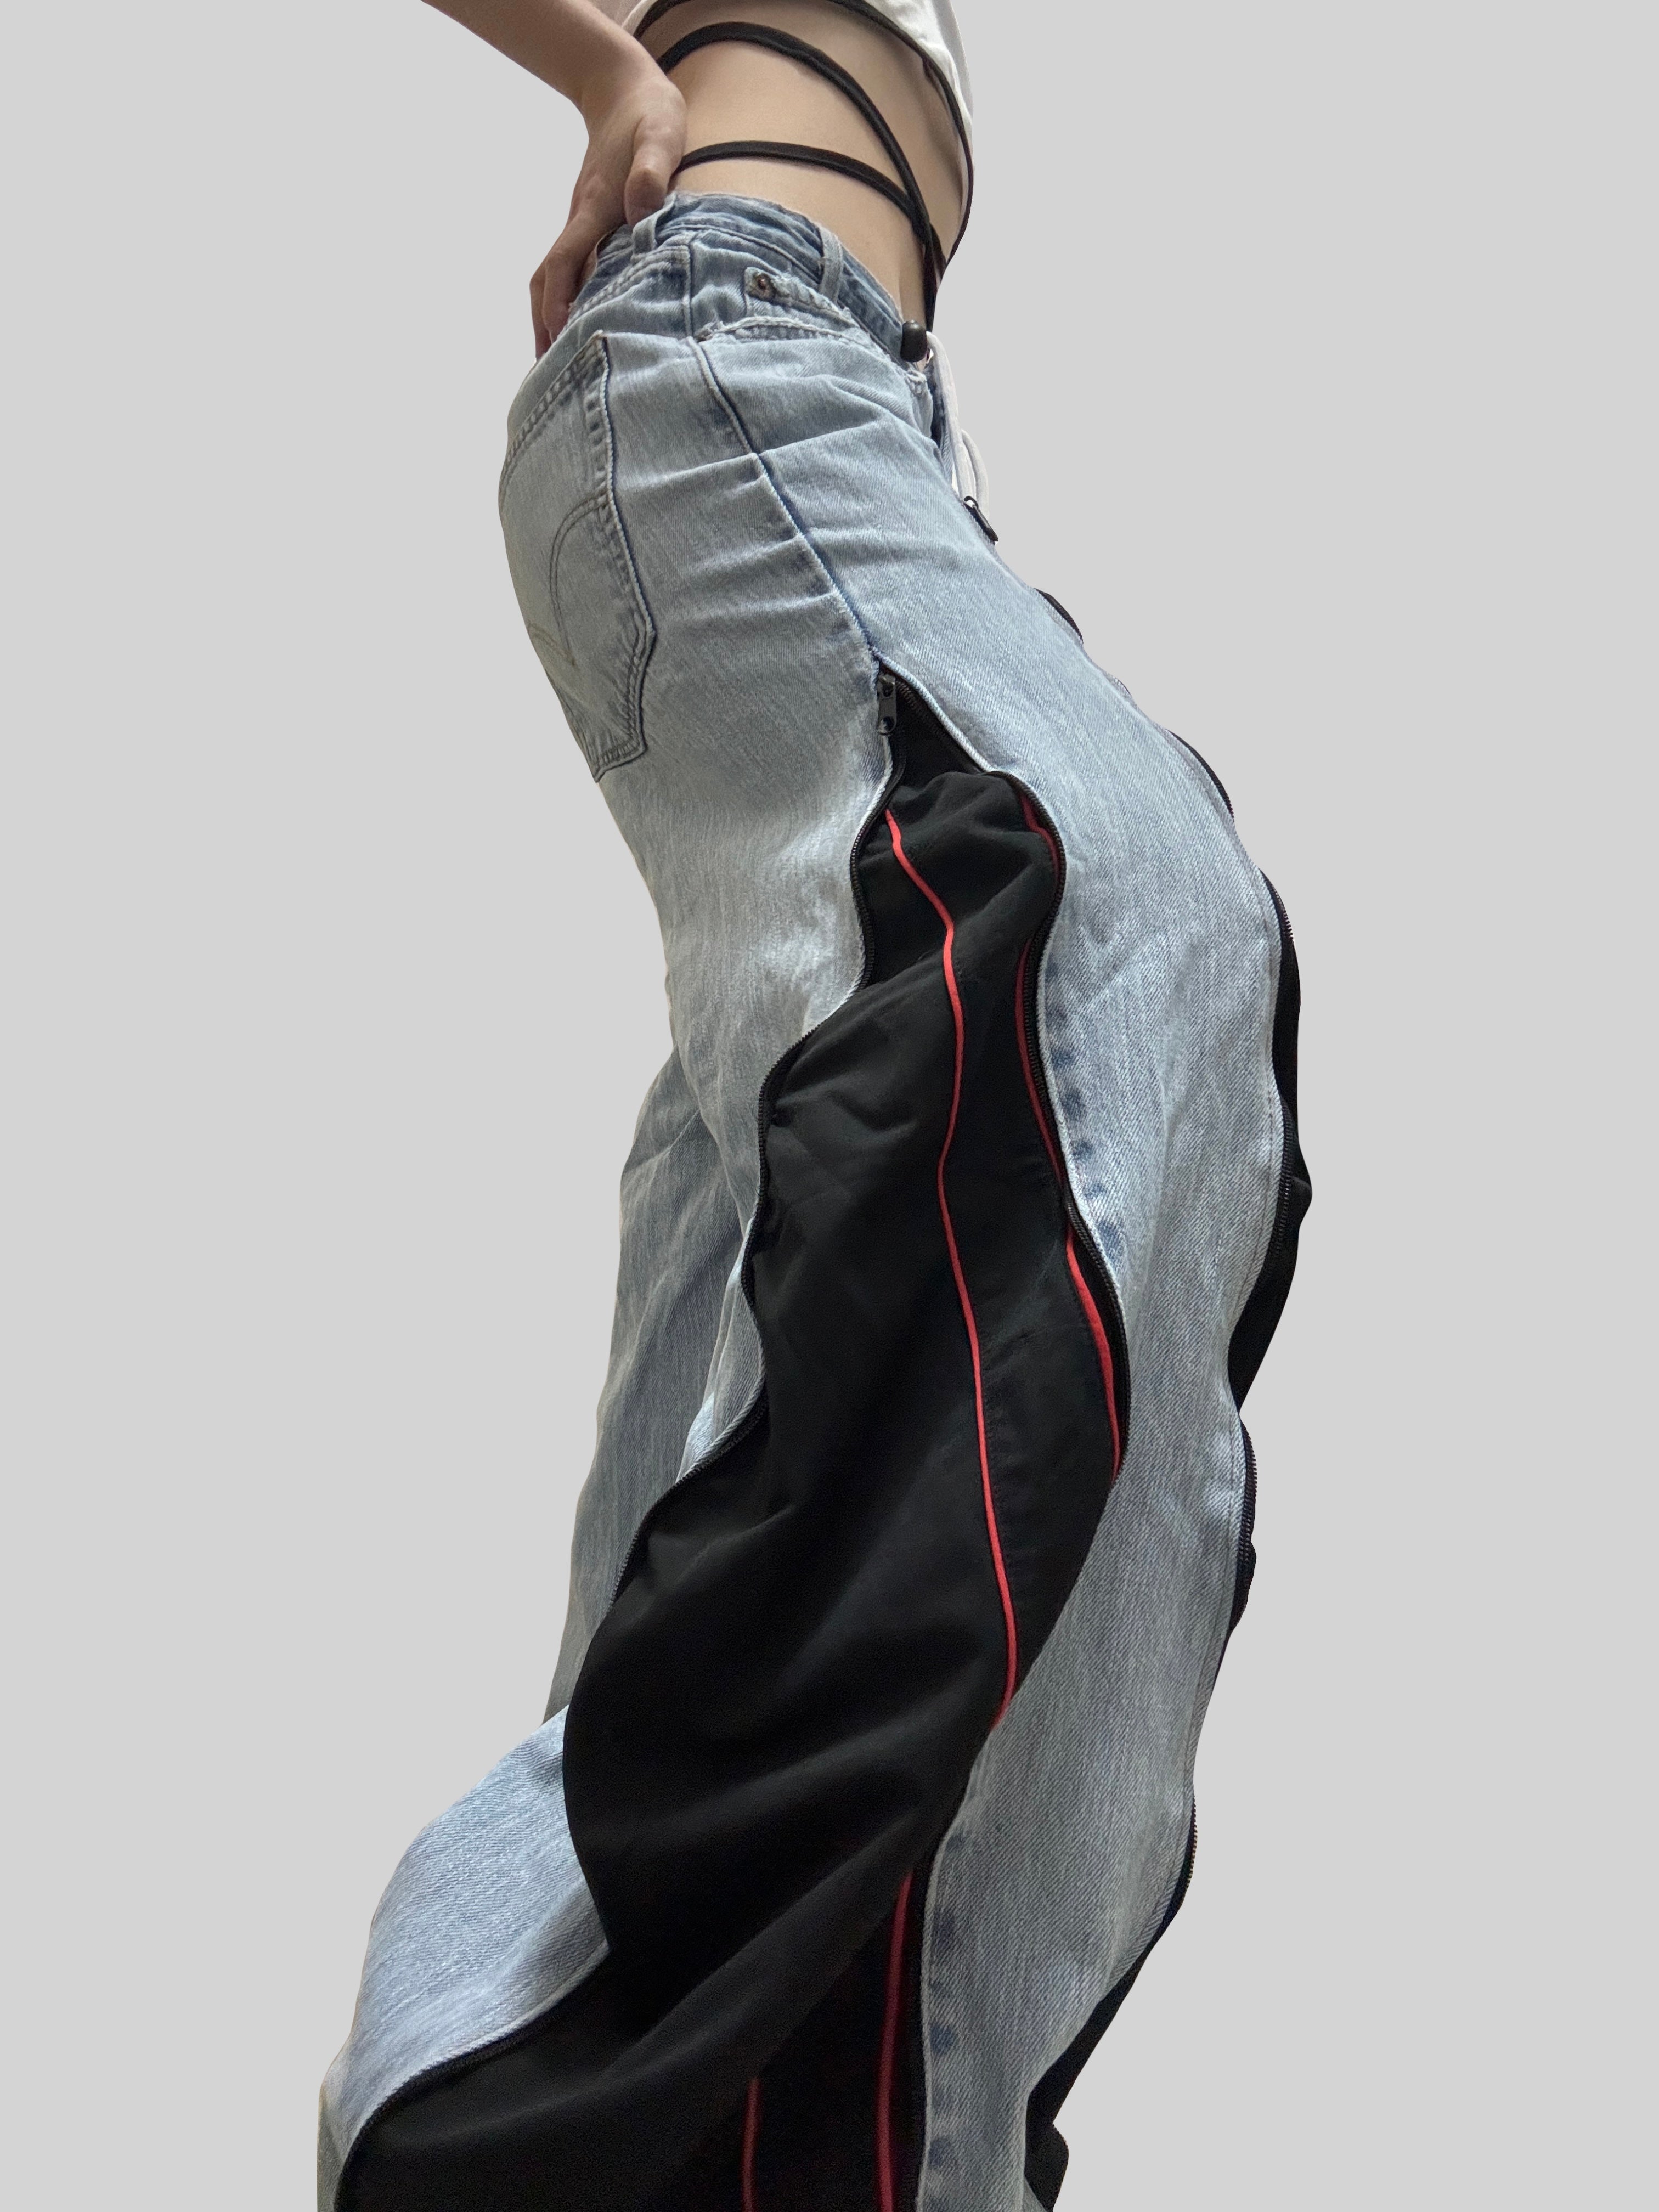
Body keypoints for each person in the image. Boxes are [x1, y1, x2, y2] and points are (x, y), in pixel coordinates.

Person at [318, 3, 1310, 2207]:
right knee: (1101, 912)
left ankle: (617, 2087)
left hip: (838, 390)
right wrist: (608, 78)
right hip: (736, 330)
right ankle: (620, 2114)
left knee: (794, 1218)